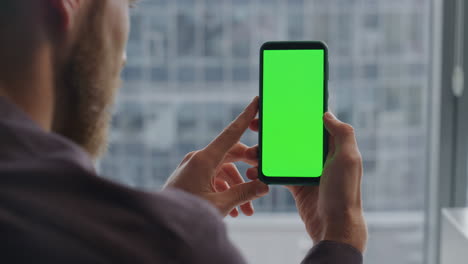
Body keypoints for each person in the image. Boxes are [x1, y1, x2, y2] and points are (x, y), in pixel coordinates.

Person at [0, 0, 367, 263]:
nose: (124, 55)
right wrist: (340, 237)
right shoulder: (175, 244)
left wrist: (161, 222)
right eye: (127, 7)